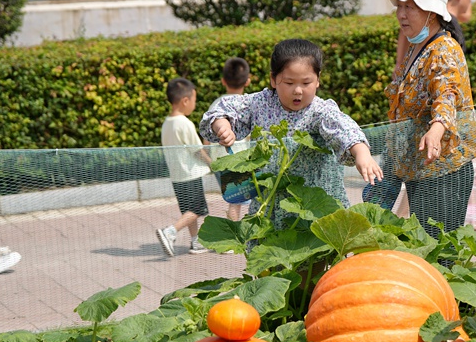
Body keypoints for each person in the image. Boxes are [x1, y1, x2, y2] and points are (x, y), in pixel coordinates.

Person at [200, 38, 383, 232]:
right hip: (270, 205)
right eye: (289, 82)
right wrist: (223, 125)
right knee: (269, 254)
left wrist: (361, 152)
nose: (298, 91)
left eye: (306, 82)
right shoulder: (260, 103)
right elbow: (225, 108)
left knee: (319, 255)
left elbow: (343, 127)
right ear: (273, 79)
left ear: (318, 79)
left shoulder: (320, 110)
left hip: (315, 209)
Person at [370, 0, 476, 214]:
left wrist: (436, 130)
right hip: (421, 169)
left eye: (410, 7)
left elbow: (447, 94)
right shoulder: (417, 46)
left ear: (431, 12)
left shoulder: (443, 49)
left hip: (444, 171)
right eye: (399, 6)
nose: (401, 15)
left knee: (440, 250)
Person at [156, 77, 213, 257]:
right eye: (194, 100)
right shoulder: (184, 123)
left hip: (177, 175)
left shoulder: (167, 123)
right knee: (197, 210)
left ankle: (195, 242)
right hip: (190, 174)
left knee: (188, 211)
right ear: (185, 101)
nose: (194, 105)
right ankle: (170, 231)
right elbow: (197, 149)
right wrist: (213, 163)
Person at [205, 57, 252, 222]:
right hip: (240, 160)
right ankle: (235, 237)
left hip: (219, 160)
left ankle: (234, 237)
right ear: (248, 81)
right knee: (239, 201)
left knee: (234, 200)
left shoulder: (217, 104)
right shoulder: (247, 104)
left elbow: (206, 134)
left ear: (223, 81)